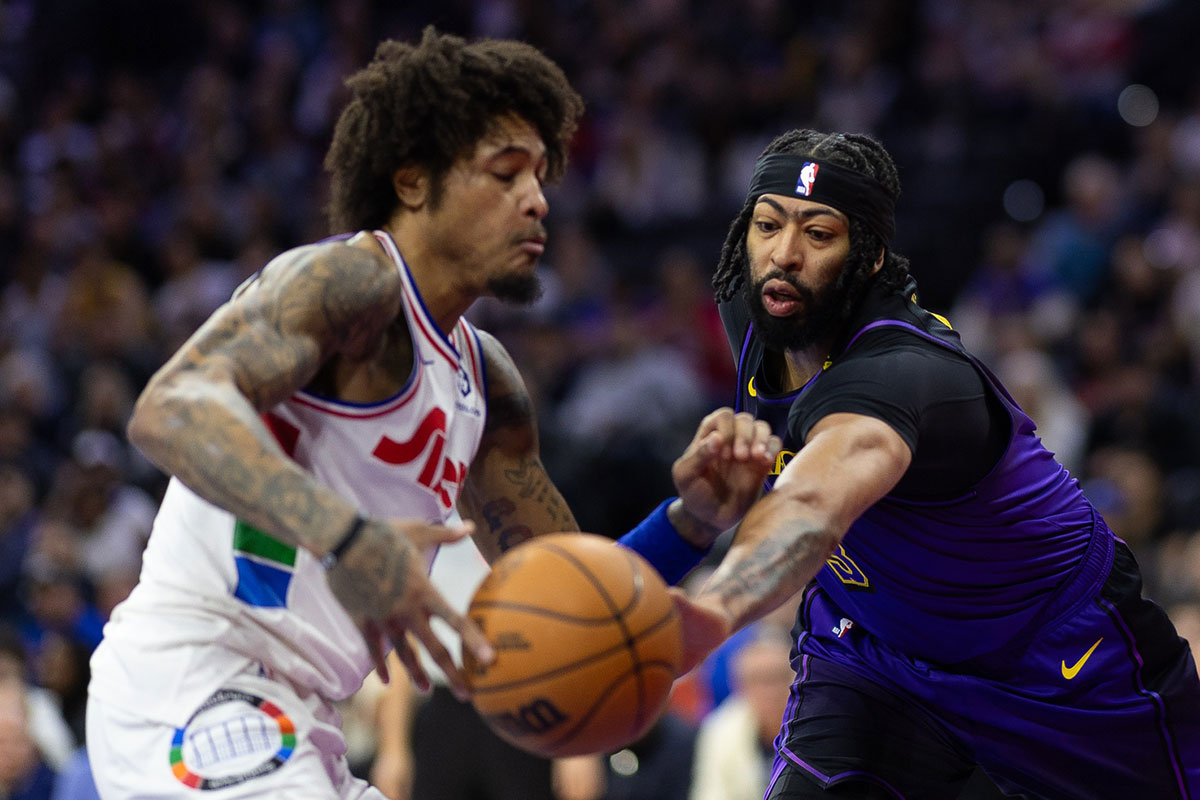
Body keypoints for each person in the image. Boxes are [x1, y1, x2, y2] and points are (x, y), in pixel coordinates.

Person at [85, 27, 777, 800]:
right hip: (191, 685)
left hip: (301, 717)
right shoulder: (349, 281)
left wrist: (697, 517)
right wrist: (348, 537)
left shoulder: (487, 379)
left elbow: (584, 597)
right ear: (413, 181)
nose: (538, 200)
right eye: (505, 172)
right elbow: (170, 410)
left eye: (542, 176)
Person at [667, 129, 1200, 799]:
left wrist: (709, 611)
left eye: (819, 234)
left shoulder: (907, 375)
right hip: (873, 655)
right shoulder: (760, 311)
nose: (784, 254)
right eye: (768, 225)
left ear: (867, 259)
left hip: (1056, 664)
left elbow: (811, 507)